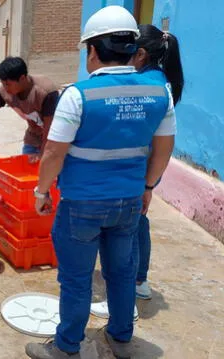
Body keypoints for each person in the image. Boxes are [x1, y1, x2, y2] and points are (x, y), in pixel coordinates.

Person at [25, 6, 176, 359]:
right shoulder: (160, 94)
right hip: (129, 203)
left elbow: (53, 154)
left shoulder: (77, 95)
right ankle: (122, 338)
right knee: (121, 273)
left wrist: (42, 191)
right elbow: (163, 150)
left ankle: (66, 347)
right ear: (132, 49)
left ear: (92, 50)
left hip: (82, 205)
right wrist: (148, 187)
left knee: (77, 279)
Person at [90, 23, 185, 319]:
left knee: (123, 232)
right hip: (144, 171)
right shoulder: (161, 84)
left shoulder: (149, 87)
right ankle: (140, 281)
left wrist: (147, 184)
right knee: (137, 224)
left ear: (140, 54)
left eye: (128, 49)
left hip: (137, 171)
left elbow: (161, 143)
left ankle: (124, 298)